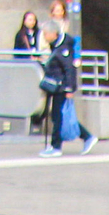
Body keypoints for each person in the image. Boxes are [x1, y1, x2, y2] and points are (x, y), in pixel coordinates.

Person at [38, 20, 97, 156]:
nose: (45, 37)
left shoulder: (63, 48)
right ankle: (86, 137)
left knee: (58, 117)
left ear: (53, 34)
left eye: (46, 34)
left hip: (62, 87)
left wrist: (70, 88)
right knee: (60, 116)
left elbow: (69, 69)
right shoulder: (57, 46)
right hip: (58, 85)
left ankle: (56, 146)